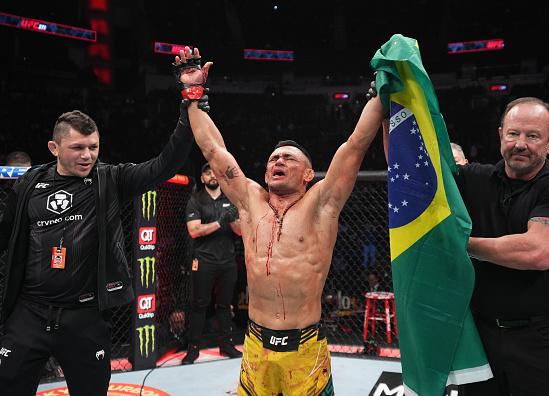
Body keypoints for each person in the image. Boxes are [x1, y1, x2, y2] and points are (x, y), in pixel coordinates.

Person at [174, 46, 385, 395]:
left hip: (304, 350)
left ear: (307, 175)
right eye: (273, 157)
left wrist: (379, 95)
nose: (278, 161)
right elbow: (213, 150)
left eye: (288, 158)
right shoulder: (250, 200)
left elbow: (354, 147)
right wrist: (192, 94)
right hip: (256, 345)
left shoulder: (322, 204)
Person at [0, 106, 194, 395]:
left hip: (84, 316)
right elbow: (6, 238)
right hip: (30, 313)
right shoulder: (30, 184)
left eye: (93, 147)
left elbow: (164, 165)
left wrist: (189, 109)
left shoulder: (110, 179)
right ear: (54, 147)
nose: (87, 155)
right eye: (77, 147)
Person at [455, 97, 549, 396]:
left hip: (541, 339)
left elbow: (537, 252)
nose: (520, 144)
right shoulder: (476, 179)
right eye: (514, 133)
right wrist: (389, 114)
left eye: (532, 136)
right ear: (501, 134)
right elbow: (411, 175)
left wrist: (458, 244)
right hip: (481, 335)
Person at [181, 162, 242, 364]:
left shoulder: (230, 200)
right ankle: (193, 348)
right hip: (204, 260)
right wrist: (219, 222)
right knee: (199, 304)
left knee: (225, 305)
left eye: (215, 172)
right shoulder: (196, 200)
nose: (212, 175)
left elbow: (240, 231)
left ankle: (225, 345)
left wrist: (232, 221)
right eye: (207, 172)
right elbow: (194, 230)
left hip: (227, 261)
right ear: (202, 178)